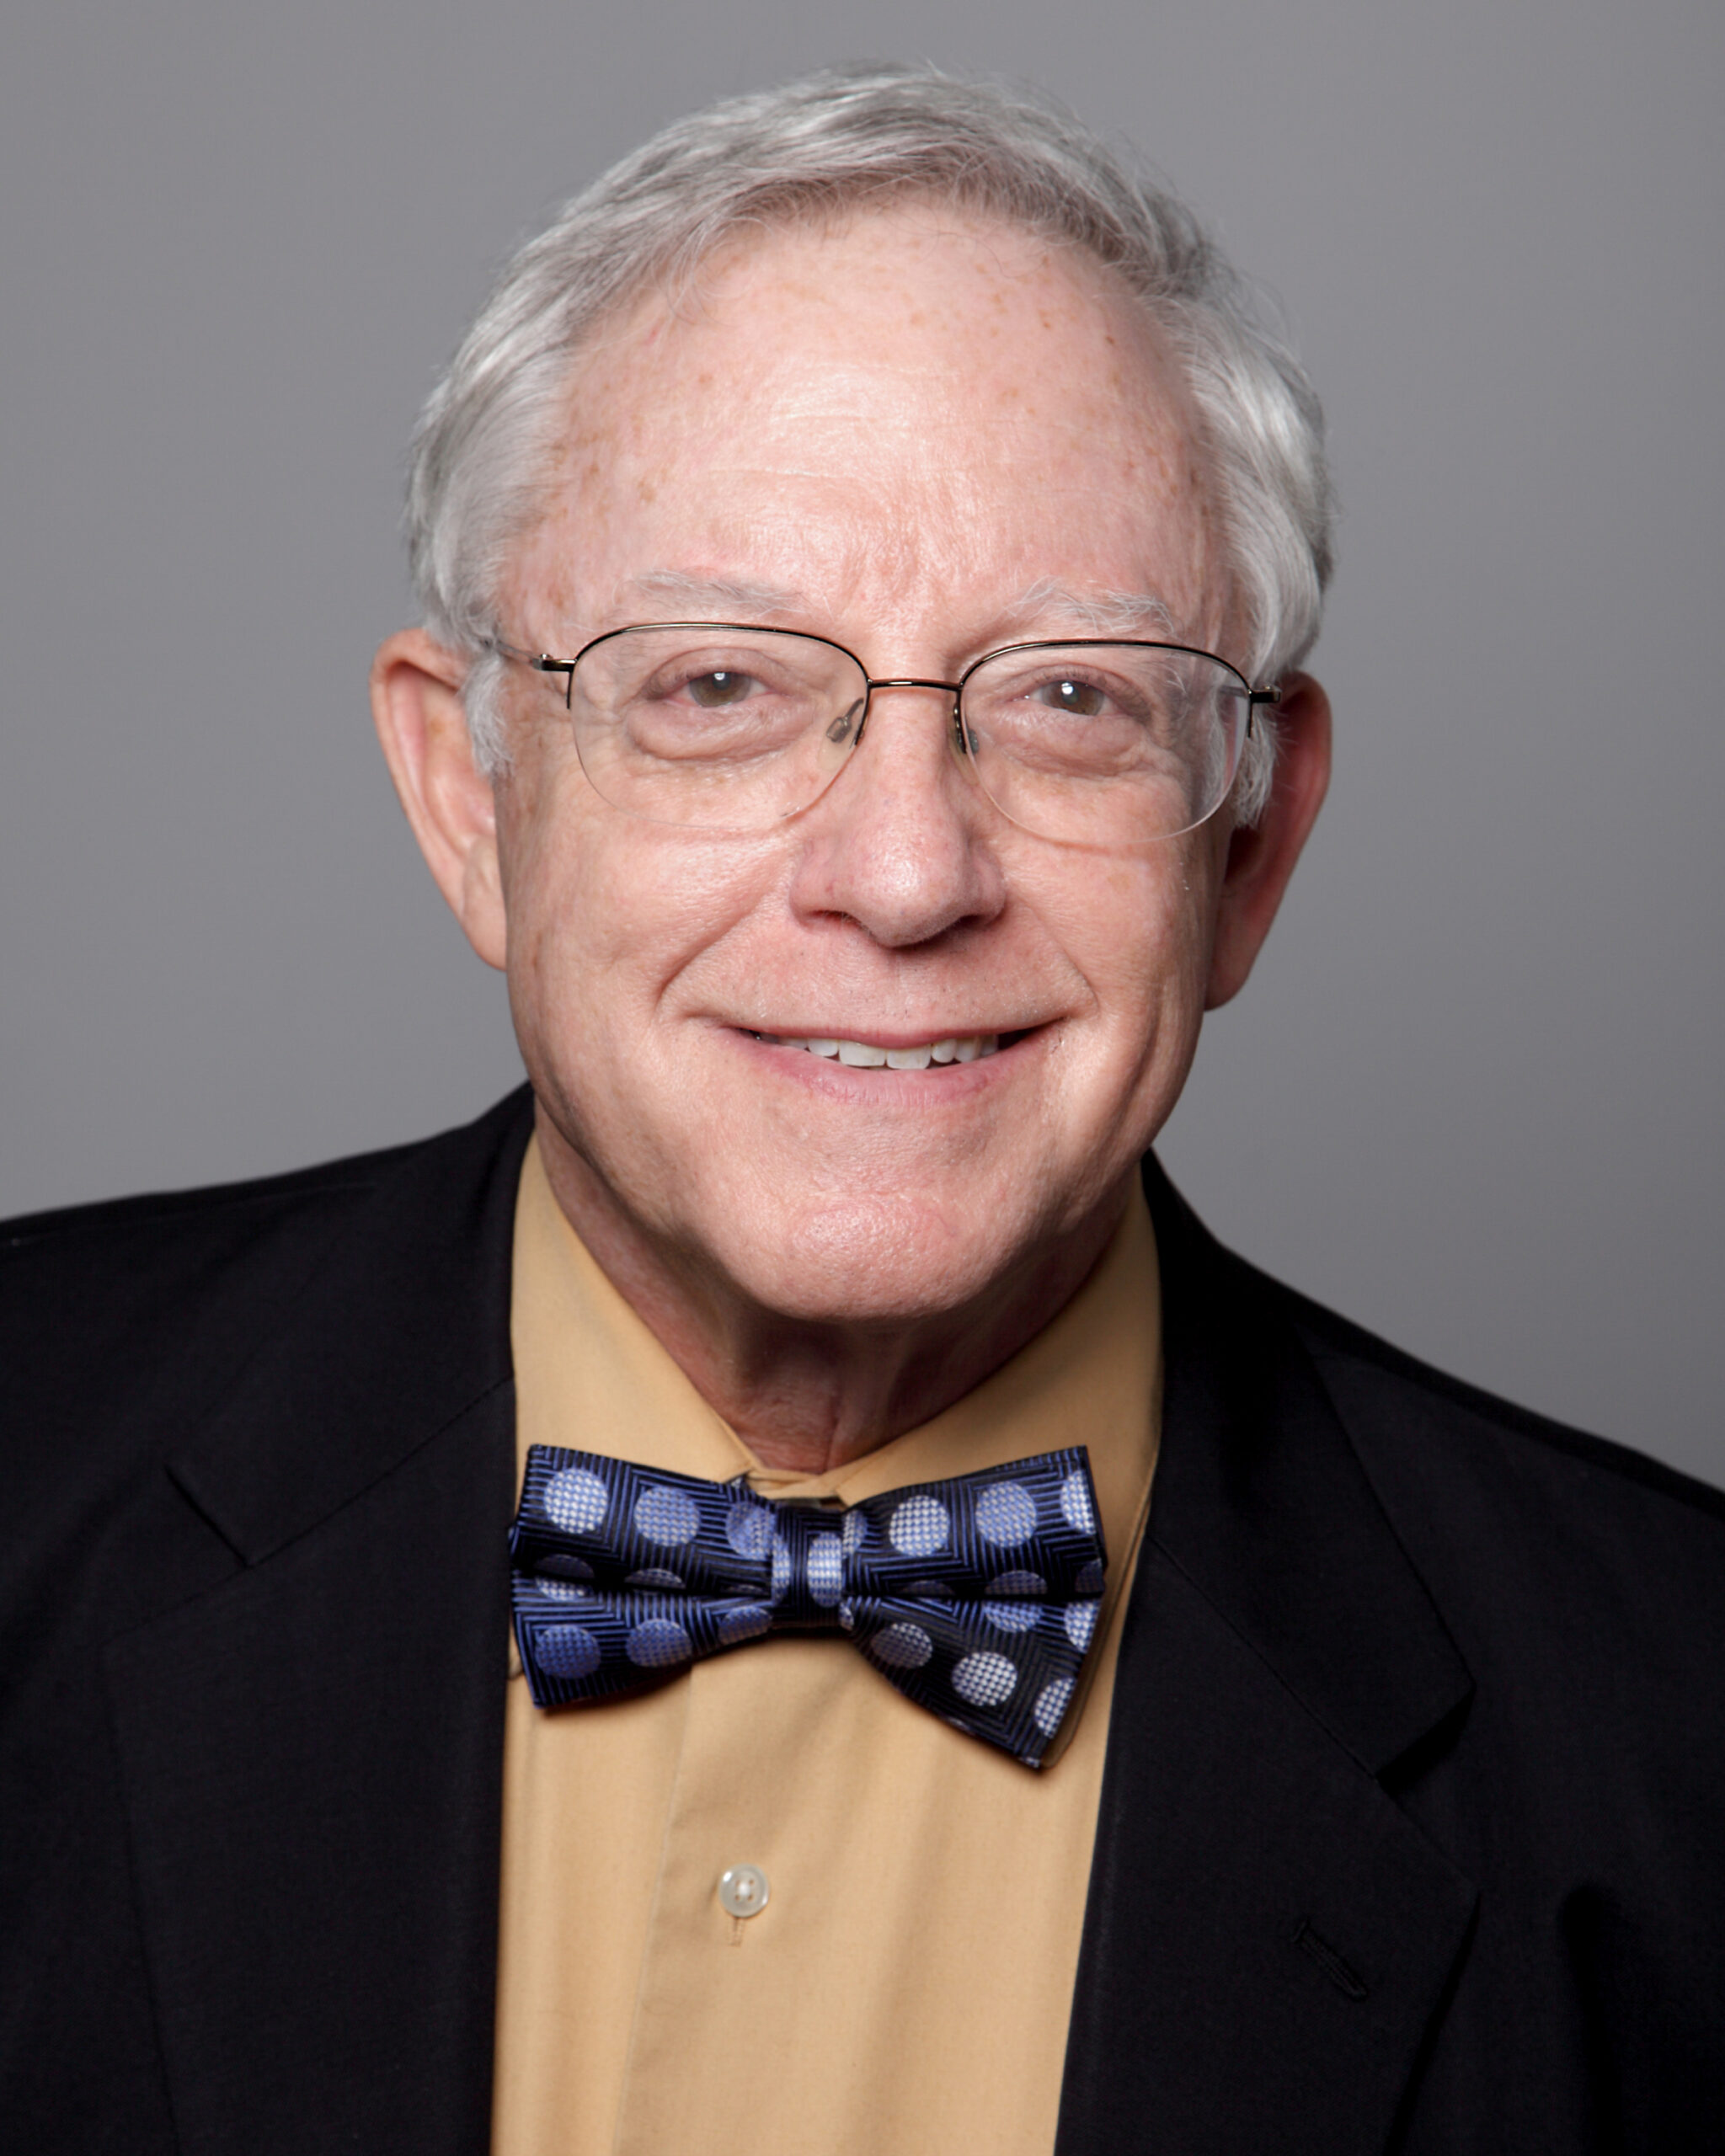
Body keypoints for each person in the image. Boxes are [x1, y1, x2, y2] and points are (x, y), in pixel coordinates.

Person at [3, 63, 1721, 2156]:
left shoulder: (1673, 1733)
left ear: (1250, 844)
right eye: (719, 684)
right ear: (471, 803)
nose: (904, 876)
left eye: (1074, 695)